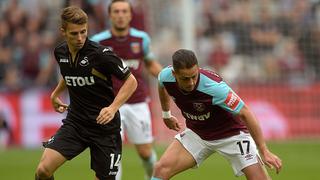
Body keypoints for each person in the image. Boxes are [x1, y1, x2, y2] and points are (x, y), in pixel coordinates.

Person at [34, 6, 137, 180]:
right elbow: (70, 74)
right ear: (63, 32)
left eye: (83, 32)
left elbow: (131, 81)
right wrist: (55, 93)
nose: (80, 38)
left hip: (104, 128)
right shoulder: (60, 52)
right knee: (43, 171)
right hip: (76, 124)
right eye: (74, 34)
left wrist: (112, 108)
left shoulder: (101, 54)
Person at [151, 49, 282, 180]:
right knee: (161, 169)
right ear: (174, 74)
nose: (191, 82)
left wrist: (264, 150)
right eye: (185, 79)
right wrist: (166, 114)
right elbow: (161, 85)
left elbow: (245, 113)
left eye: (194, 76)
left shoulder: (214, 87)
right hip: (198, 134)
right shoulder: (165, 76)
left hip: (232, 135)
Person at [91, 0, 162, 179]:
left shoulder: (141, 39)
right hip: (110, 104)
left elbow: (150, 64)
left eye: (124, 11)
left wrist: (169, 79)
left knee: (146, 152)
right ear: (110, 15)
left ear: (130, 15)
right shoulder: (98, 42)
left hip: (137, 101)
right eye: (116, 11)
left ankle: (153, 176)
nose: (121, 15)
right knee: (113, 152)